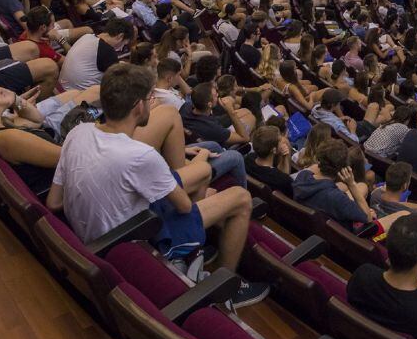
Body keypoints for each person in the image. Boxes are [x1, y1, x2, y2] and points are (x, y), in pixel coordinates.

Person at [46, 64, 268, 305]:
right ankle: (226, 288)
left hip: (93, 233)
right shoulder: (141, 155)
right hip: (133, 236)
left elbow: (54, 201)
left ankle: (195, 252)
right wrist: (200, 162)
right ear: (139, 106)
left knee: (203, 178)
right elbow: (184, 207)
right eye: (149, 97)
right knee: (239, 198)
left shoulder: (78, 133)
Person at [0, 73, 100, 195]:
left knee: (93, 100)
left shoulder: (0, 128)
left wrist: (14, 99)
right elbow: (70, 157)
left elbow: (38, 120)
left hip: (71, 170)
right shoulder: (7, 138)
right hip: (77, 186)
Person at [293, 139, 374, 228]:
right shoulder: (337, 198)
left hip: (305, 227)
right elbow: (368, 218)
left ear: (318, 160)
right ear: (345, 168)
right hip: (339, 236)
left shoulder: (303, 176)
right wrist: (351, 185)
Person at [58, 18, 131, 91]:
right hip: (79, 96)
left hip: (63, 88)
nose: (121, 49)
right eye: (124, 44)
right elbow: (118, 81)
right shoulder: (108, 51)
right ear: (120, 36)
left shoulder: (87, 37)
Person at [244, 123, 293, 197]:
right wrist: (286, 157)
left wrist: (284, 157)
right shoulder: (281, 180)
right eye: (280, 140)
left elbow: (282, 176)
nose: (283, 142)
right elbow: (285, 179)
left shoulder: (247, 159)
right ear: (273, 150)